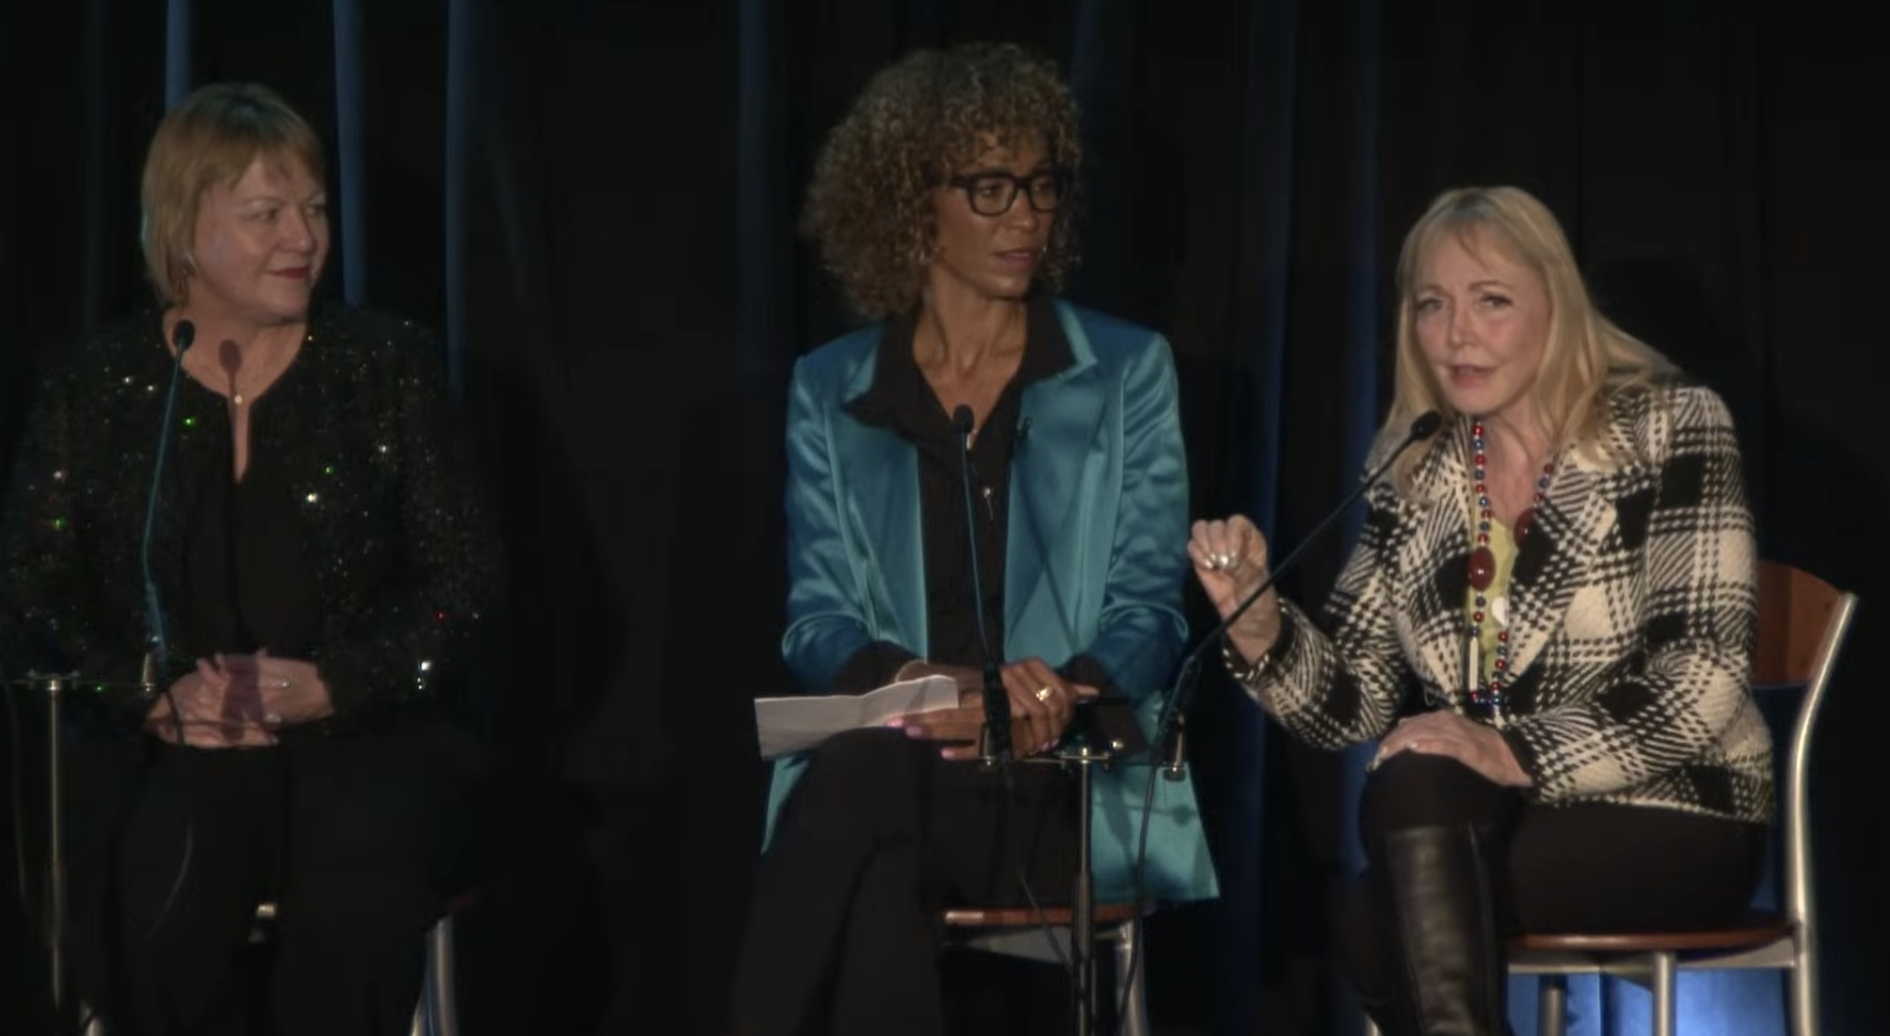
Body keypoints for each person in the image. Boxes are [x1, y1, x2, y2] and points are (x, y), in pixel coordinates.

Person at [1189, 185, 1771, 1035]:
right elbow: (1353, 700)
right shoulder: (1416, 462)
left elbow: (1701, 679)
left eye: (1490, 301)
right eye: (1433, 306)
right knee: (1412, 793)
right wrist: (1259, 626)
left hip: (1676, 807)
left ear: (1555, 306)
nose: (1457, 334)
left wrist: (1508, 749)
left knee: (1377, 910)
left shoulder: (1671, 426)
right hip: (1483, 813)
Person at [729, 42, 1216, 1036]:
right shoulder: (832, 387)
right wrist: (919, 683)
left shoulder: (1125, 371)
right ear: (914, 199)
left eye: (1039, 185)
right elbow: (818, 617)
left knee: (864, 803)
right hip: (901, 771)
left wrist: (1054, 692)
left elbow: (1148, 609)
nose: (1025, 215)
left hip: (1059, 784)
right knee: (878, 803)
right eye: (990, 188)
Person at [0, 82, 501, 1035]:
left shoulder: (386, 366)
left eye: (312, 210)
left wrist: (335, 685)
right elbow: (26, 589)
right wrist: (147, 692)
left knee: (358, 892)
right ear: (185, 231)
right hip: (172, 748)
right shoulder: (94, 387)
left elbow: (466, 580)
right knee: (149, 899)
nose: (302, 239)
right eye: (266, 214)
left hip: (364, 736)